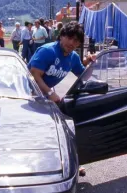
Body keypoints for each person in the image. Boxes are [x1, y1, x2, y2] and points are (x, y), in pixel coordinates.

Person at [27, 21, 96, 176]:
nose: (72, 43)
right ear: (61, 36)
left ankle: (70, 163)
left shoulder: (73, 57)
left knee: (64, 128)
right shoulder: (48, 51)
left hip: (46, 96)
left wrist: (91, 62)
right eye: (69, 38)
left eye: (76, 41)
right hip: (27, 95)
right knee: (34, 132)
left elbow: (83, 75)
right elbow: (34, 74)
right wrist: (50, 93)